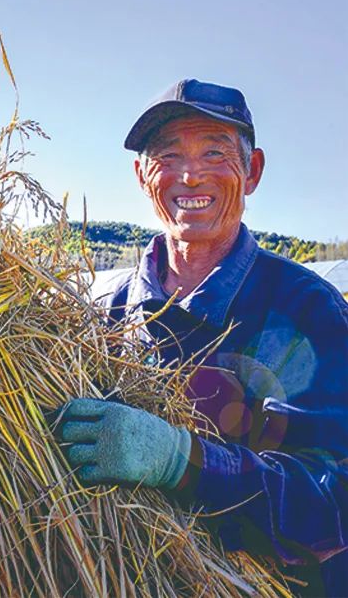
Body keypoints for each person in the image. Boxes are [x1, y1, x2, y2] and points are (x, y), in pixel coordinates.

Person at [54, 79, 348, 595]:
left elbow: (332, 502)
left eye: (215, 152)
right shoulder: (103, 312)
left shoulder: (307, 309)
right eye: (168, 156)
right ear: (143, 175)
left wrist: (180, 461)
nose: (190, 175)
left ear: (252, 171)